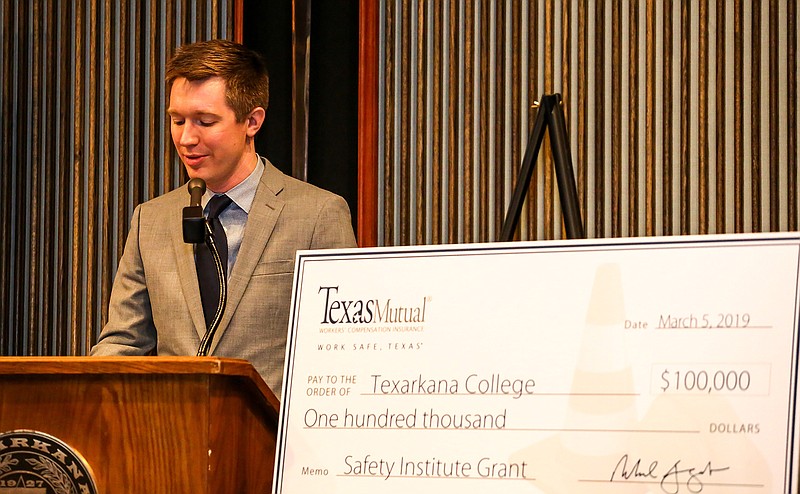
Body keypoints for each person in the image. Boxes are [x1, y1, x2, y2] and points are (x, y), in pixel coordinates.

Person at [91, 39, 357, 398]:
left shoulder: (317, 214)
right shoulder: (149, 220)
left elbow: (342, 351)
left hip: (273, 442)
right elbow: (123, 341)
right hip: (173, 440)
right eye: (177, 120)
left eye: (205, 121)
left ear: (252, 121)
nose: (186, 138)